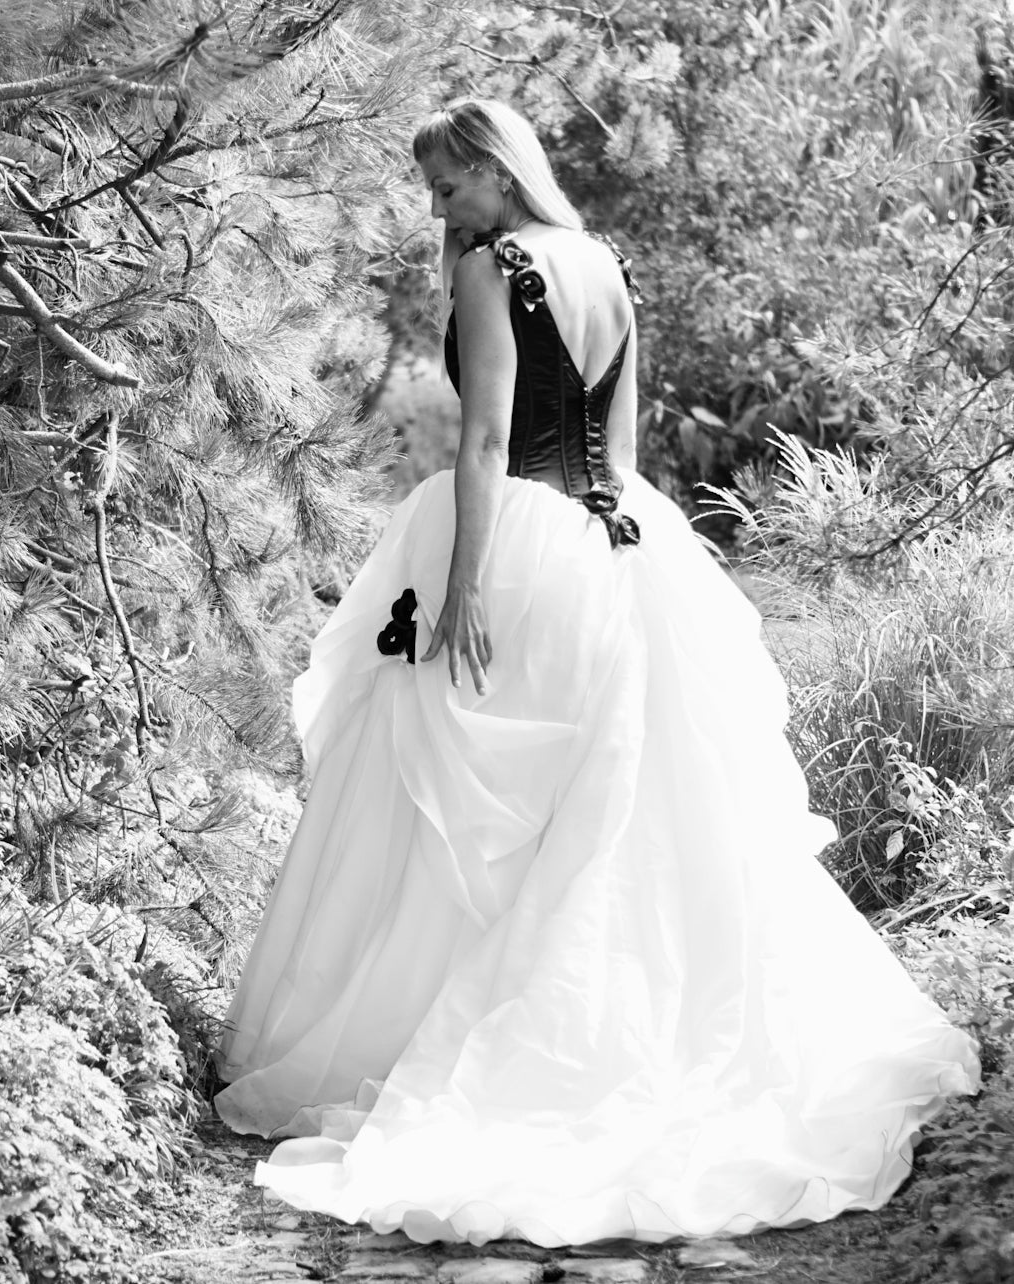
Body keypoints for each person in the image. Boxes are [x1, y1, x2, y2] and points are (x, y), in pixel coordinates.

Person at [213, 98, 980, 1247]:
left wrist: (467, 582)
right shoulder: (606, 266)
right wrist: (616, 558)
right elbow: (618, 456)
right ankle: (597, 1031)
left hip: (510, 542)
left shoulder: (492, 269)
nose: (440, 211)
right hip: (611, 545)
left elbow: (482, 440)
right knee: (608, 813)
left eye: (445, 188)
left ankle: (426, 1043)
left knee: (457, 808)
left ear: (494, 171)